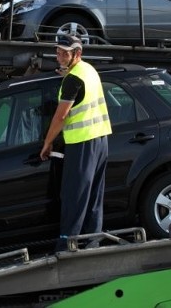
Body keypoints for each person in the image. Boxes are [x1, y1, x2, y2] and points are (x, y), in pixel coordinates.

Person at [39, 34, 112, 252]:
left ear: (77, 54)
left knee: (74, 196)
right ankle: (92, 242)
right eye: (57, 52)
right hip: (100, 139)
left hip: (82, 143)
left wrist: (47, 143)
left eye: (65, 53)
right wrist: (67, 73)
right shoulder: (88, 70)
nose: (59, 56)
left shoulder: (72, 80)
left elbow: (60, 116)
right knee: (93, 196)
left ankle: (67, 244)